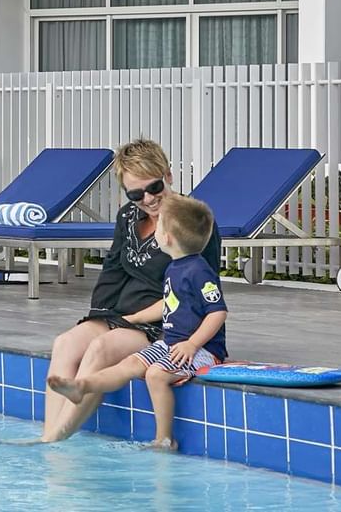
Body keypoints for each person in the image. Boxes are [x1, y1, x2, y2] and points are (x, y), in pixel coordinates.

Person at [32, 138, 221, 443]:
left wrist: (183, 339)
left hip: (160, 321)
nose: (147, 199)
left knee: (100, 348)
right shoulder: (128, 217)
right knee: (66, 343)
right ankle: (47, 434)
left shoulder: (192, 222)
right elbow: (113, 268)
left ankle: (58, 437)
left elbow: (202, 291)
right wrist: (100, 317)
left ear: (168, 176)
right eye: (136, 193)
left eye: (154, 188)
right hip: (123, 312)